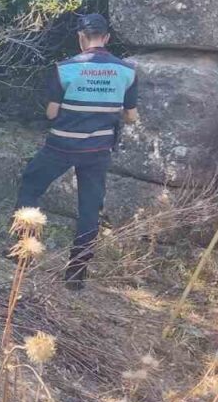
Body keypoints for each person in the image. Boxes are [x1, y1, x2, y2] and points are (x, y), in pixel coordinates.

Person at [15, 14, 138, 289]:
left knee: (31, 185)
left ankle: (24, 251)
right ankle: (76, 274)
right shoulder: (127, 71)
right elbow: (131, 116)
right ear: (107, 38)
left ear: (81, 37)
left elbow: (51, 113)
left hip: (61, 145)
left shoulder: (65, 68)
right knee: (89, 209)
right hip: (98, 150)